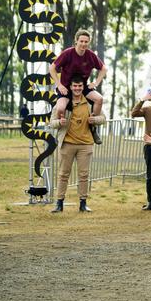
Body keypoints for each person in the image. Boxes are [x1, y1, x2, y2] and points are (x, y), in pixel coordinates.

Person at [50, 73, 106, 213]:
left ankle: (83, 203)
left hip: (86, 144)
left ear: (83, 87)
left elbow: (103, 118)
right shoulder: (63, 102)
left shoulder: (90, 102)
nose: (77, 88)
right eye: (75, 86)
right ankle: (59, 203)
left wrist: (95, 120)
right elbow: (51, 123)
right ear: (70, 87)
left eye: (80, 86)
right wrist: (59, 122)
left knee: (84, 175)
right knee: (63, 174)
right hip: (67, 143)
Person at [49, 29, 106, 143]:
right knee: (60, 108)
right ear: (76, 41)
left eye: (86, 42)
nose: (84, 44)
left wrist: (96, 83)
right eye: (81, 41)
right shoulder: (68, 53)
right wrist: (59, 85)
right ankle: (59, 132)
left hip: (81, 87)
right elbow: (52, 68)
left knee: (99, 99)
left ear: (89, 42)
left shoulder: (90, 55)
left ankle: (93, 128)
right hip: (66, 87)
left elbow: (103, 69)